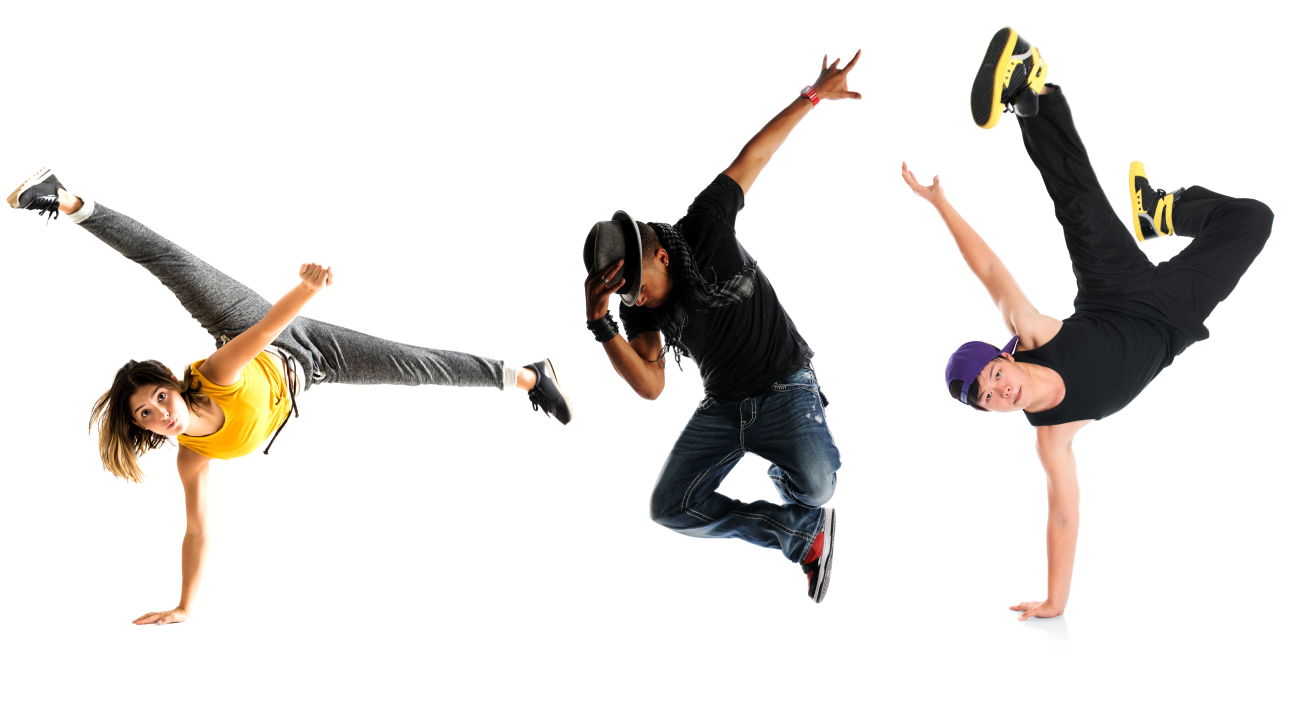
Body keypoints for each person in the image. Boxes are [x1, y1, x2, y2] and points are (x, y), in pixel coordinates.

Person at [7, 169, 574, 625]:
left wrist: (303, 290)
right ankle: (529, 374)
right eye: (147, 415)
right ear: (146, 430)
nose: (161, 412)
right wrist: (185, 605)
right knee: (414, 368)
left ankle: (65, 197)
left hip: (254, 325)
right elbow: (198, 531)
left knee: (172, 266)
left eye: (158, 396)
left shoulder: (213, 374)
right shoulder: (194, 458)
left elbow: (260, 336)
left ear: (174, 386)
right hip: (312, 367)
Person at [902, 28, 1274, 620]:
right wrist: (1056, 600)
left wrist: (940, 203)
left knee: (1075, 199)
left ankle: (1030, 88)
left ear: (1005, 356)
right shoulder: (1052, 438)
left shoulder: (1034, 337)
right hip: (1172, 315)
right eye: (991, 399)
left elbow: (991, 269)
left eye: (996, 375)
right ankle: (1161, 211)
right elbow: (1065, 516)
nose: (1002, 391)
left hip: (1111, 288)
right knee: (1254, 220)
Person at [581, 52, 861, 603]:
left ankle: (792, 486)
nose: (635, 298)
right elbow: (653, 385)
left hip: (785, 388)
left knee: (820, 486)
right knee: (669, 507)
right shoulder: (638, 312)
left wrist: (812, 96)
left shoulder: (704, 224)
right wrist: (601, 324)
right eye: (623, 293)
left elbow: (755, 154)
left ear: (659, 254)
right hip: (724, 408)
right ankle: (799, 533)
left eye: (635, 284)